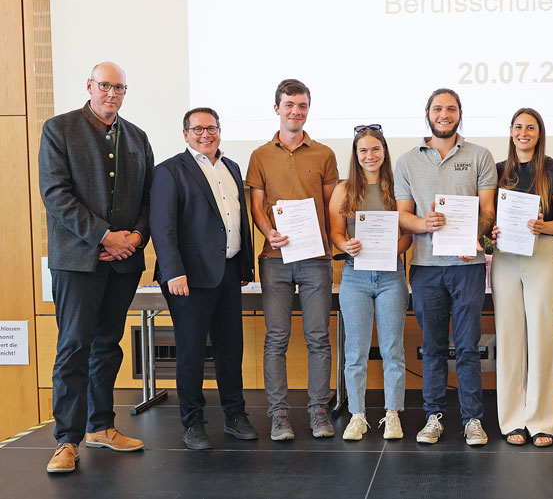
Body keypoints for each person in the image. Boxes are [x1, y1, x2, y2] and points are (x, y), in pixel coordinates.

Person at [39, 62, 152, 473]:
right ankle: (66, 441)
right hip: (77, 263)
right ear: (89, 86)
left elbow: (147, 199)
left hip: (123, 264)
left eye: (119, 87)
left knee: (108, 345)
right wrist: (106, 236)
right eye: (104, 85)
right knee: (73, 347)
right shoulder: (59, 129)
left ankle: (101, 426)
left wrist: (135, 238)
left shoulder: (137, 137)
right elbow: (56, 194)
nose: (111, 93)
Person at [149, 107, 257, 450]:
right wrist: (173, 271)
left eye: (211, 128)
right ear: (185, 134)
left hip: (227, 272)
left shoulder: (232, 168)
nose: (205, 135)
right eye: (197, 130)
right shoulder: (169, 171)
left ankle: (235, 415)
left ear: (220, 131)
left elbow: (236, 219)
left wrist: (244, 267)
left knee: (230, 348)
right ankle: (193, 422)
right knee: (192, 352)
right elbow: (162, 227)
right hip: (188, 278)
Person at [395, 88, 497, 446]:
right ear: (427, 113)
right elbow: (403, 215)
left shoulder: (480, 156)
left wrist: (477, 234)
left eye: (450, 109)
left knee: (469, 346)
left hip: (467, 266)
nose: (444, 114)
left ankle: (472, 419)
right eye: (438, 108)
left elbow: (487, 212)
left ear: (459, 114)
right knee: (433, 345)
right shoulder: (408, 161)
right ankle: (434, 416)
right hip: (426, 268)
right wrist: (425, 224)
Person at [245, 79, 339, 440]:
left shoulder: (325, 154)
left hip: (316, 259)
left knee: (318, 337)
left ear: (307, 109)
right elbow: (256, 205)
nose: (295, 111)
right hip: (274, 258)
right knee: (277, 338)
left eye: (301, 106)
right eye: (289, 105)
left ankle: (318, 410)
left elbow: (332, 208)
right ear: (277, 109)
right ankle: (279, 413)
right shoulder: (259, 155)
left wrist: (335, 245)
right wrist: (269, 231)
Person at [490, 108, 553, 447]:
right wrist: (490, 231)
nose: (524, 132)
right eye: (519, 127)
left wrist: (543, 226)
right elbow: (487, 219)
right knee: (508, 340)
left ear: (540, 132)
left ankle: (540, 421)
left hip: (542, 255)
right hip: (506, 258)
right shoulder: (496, 171)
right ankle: (512, 421)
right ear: (510, 131)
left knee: (540, 339)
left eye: (531, 127)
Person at [328, 125, 412, 440]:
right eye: (363, 150)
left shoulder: (398, 188)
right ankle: (358, 416)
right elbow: (336, 232)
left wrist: (395, 249)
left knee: (393, 348)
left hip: (391, 275)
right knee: (355, 350)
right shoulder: (344, 189)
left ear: (384, 152)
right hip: (355, 275)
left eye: (375, 149)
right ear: (355, 154)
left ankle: (393, 414)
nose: (370, 155)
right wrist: (344, 244)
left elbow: (407, 235)